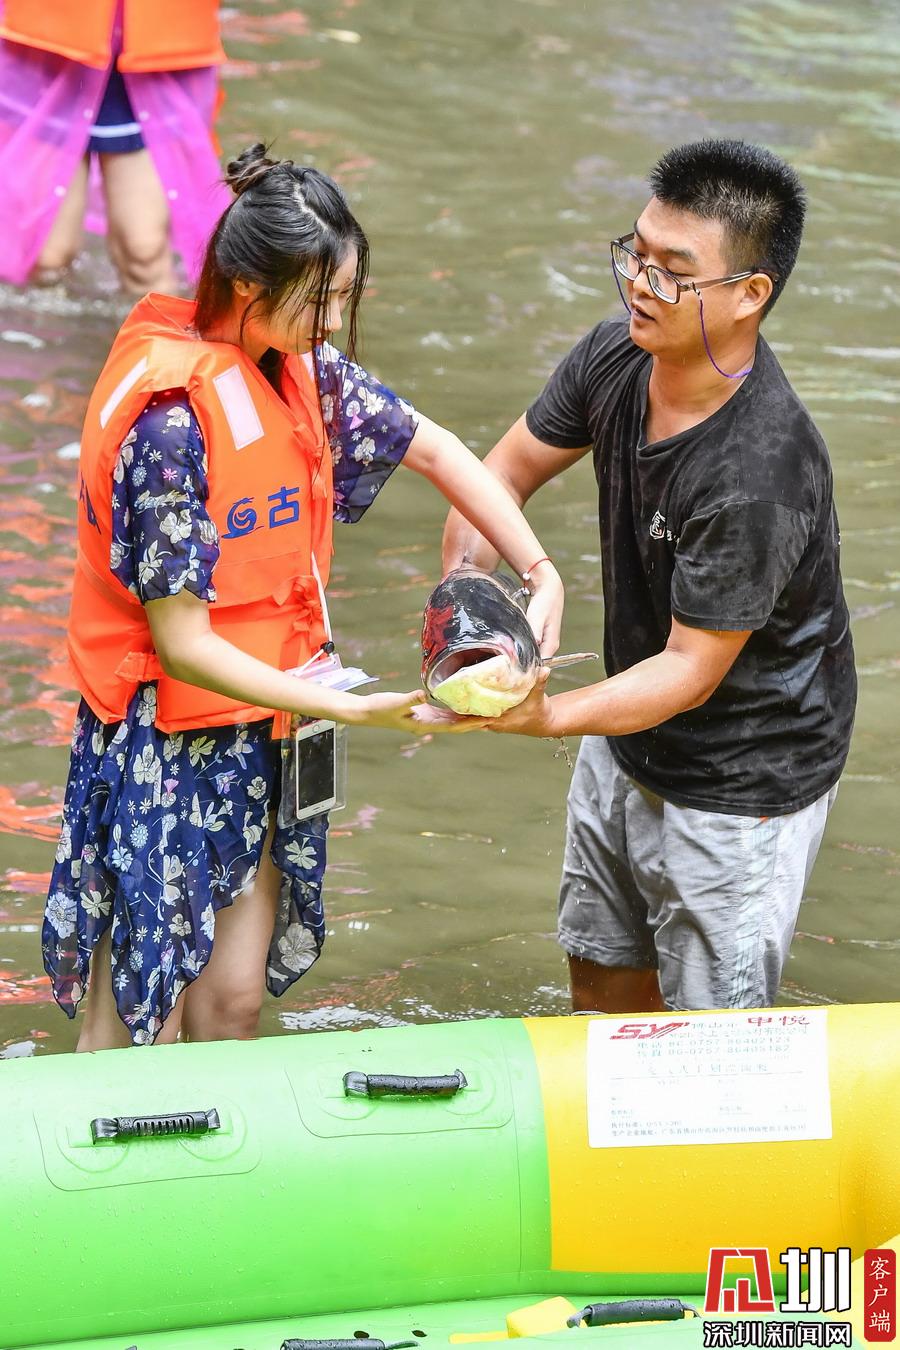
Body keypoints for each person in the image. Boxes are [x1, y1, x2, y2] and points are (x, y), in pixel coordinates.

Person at [43, 144, 564, 1050]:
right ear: (247, 284)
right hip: (165, 737)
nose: (332, 322)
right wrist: (353, 708)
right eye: (318, 300)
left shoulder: (305, 371)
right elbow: (184, 647)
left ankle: (225, 1139)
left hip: (272, 722)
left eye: (343, 298)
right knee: (139, 1018)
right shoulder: (171, 428)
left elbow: (437, 450)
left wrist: (540, 569)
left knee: (234, 1003)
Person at [443, 139, 856, 1014]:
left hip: (743, 778)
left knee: (708, 1036)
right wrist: (466, 608)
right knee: (599, 979)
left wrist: (544, 715)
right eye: (634, 254)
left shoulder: (762, 468)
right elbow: (498, 478)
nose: (639, 284)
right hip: (626, 724)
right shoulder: (617, 357)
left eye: (673, 272)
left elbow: (690, 671)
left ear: (751, 294)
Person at [0, 0, 230, 291]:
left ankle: (153, 321)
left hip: (160, 39)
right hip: (50, 36)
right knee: (45, 257)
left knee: (143, 253)